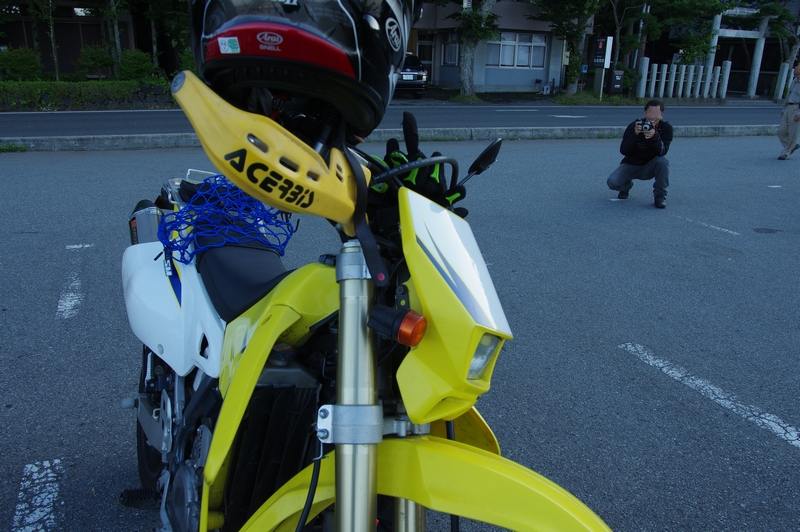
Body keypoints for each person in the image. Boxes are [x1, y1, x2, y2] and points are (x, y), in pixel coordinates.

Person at [607, 99, 673, 208]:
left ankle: (660, 196)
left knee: (662, 162)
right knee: (612, 182)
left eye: (656, 115)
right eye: (650, 114)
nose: (652, 118)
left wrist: (655, 136)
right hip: (631, 164)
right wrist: (635, 134)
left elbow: (662, 151)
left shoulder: (666, 128)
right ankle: (626, 186)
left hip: (649, 166)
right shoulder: (634, 125)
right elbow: (624, 150)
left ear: (662, 114)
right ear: (645, 113)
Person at [778, 63, 800, 160]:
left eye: (797, 66)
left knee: (793, 132)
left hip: (797, 108)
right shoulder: (794, 80)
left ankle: (786, 152)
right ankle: (792, 146)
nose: (795, 67)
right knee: (781, 131)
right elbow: (789, 95)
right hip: (788, 107)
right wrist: (784, 109)